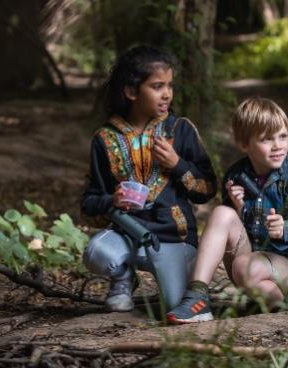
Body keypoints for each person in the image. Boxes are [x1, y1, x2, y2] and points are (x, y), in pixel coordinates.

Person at [81, 45, 218, 312]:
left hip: (173, 238)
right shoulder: (105, 139)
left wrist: (177, 164)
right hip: (127, 236)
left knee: (174, 306)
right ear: (131, 91)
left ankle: (180, 273)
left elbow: (208, 188)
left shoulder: (180, 130)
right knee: (97, 252)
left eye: (169, 85)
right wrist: (112, 200)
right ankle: (123, 277)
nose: (167, 94)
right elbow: (89, 203)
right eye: (157, 86)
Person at [166, 97, 288, 323]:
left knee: (245, 267)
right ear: (244, 144)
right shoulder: (236, 174)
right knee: (222, 213)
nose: (278, 146)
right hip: (251, 262)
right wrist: (240, 207)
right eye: (266, 139)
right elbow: (229, 229)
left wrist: (284, 228)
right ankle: (197, 296)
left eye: (283, 136)